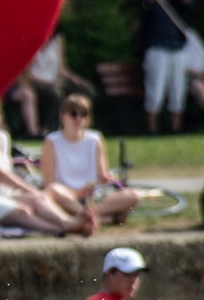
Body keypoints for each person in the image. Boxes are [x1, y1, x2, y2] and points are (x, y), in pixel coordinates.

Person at [0, 92, 94, 236]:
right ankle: (62, 229)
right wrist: (29, 189)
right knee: (23, 211)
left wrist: (32, 193)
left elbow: (6, 173)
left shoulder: (2, 137)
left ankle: (68, 222)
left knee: (37, 199)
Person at [38, 93, 141, 226]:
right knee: (53, 190)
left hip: (93, 196)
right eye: (73, 114)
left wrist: (107, 178)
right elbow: (49, 184)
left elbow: (102, 176)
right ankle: (101, 218)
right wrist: (76, 193)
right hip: (66, 197)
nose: (79, 118)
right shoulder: (52, 141)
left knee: (134, 195)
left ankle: (86, 216)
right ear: (62, 116)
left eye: (84, 114)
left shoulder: (95, 139)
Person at [5, 29, 91, 141]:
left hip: (54, 81)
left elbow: (61, 68)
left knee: (84, 91)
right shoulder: (29, 42)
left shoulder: (57, 41)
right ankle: (46, 129)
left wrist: (77, 79)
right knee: (54, 94)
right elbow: (27, 75)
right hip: (37, 83)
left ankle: (76, 128)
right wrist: (53, 83)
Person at [140, 0, 194, 136]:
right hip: (157, 49)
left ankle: (176, 128)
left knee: (178, 91)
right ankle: (151, 128)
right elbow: (147, 6)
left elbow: (189, 3)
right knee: (155, 91)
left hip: (177, 49)